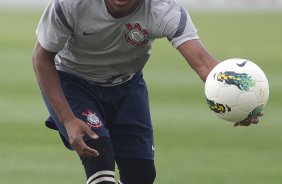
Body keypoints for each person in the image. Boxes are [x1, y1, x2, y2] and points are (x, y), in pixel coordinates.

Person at [32, 0, 261, 183]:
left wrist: (242, 103)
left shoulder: (163, 9)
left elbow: (203, 63)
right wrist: (67, 119)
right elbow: (41, 57)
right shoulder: (70, 5)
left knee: (141, 176)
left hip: (128, 86)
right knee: (98, 157)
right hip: (73, 82)